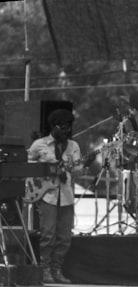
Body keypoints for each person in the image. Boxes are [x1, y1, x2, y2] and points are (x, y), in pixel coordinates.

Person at [26, 109, 87, 284]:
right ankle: (44, 270)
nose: (67, 131)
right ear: (54, 127)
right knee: (48, 234)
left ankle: (56, 269)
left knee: (64, 237)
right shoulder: (40, 144)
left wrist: (84, 165)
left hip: (66, 196)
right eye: (63, 127)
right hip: (46, 195)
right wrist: (46, 169)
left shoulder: (73, 146)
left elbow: (77, 172)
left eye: (69, 127)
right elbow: (26, 165)